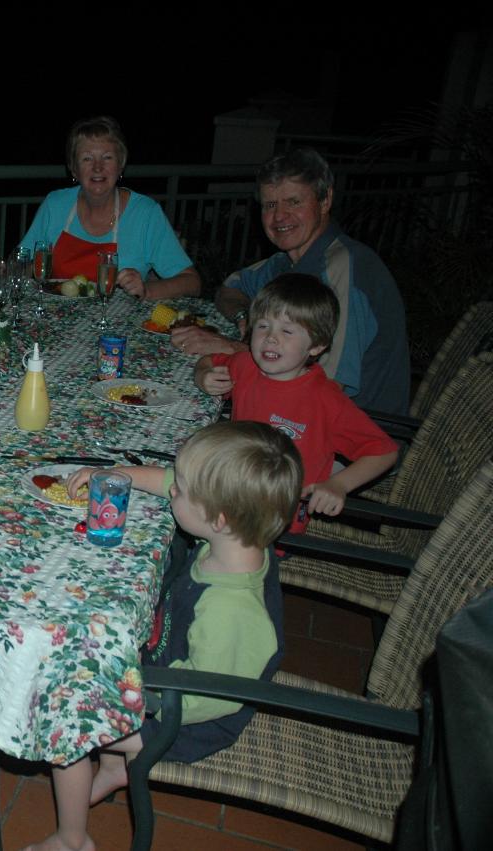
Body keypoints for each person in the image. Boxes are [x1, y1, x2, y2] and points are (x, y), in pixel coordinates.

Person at [26, 421, 301, 851]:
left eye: (182, 491)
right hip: (165, 671)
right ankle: (118, 767)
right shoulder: (235, 542)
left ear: (219, 516)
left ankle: (71, 839)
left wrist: (137, 698)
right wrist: (120, 475)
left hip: (186, 717)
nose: (172, 490)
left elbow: (210, 696)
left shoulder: (231, 612)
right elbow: (169, 480)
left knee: (70, 725)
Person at [170, 147, 410, 415]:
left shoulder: (346, 268)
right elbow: (231, 287)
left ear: (325, 200)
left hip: (346, 436)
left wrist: (235, 348)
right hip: (291, 413)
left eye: (293, 202)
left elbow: (325, 385)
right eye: (270, 205)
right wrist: (245, 318)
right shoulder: (287, 261)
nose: (279, 216)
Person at [194, 273, 398, 533]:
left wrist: (339, 484)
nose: (271, 338)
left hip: (274, 524)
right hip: (229, 495)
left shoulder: (326, 400)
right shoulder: (246, 366)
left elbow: (384, 451)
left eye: (287, 331)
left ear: (316, 346)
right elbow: (209, 360)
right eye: (263, 326)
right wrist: (203, 376)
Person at [18, 116, 200, 301]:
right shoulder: (55, 204)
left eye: (107, 157)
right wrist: (14, 270)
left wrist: (146, 290)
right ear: (74, 169)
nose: (98, 167)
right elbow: (22, 261)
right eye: (87, 158)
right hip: (55, 320)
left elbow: (192, 283)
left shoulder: (145, 213)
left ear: (121, 165)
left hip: (119, 326)